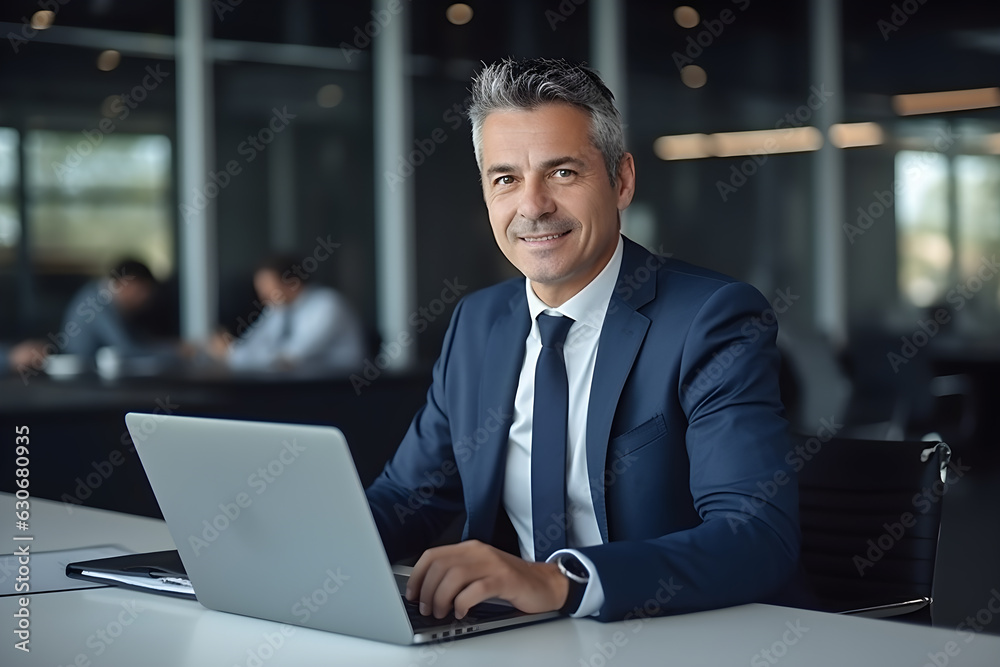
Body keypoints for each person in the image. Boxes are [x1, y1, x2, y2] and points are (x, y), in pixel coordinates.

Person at [364, 57, 799, 623]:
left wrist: (560, 582)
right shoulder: (477, 323)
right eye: (506, 179)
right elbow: (407, 498)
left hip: (679, 637)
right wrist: (300, 542)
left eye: (563, 172)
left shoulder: (711, 319)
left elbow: (756, 535)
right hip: (520, 642)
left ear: (622, 180)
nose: (533, 206)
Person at [210, 254, 366, 374]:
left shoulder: (328, 306)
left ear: (292, 283)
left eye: (268, 287)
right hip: (300, 386)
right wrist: (229, 350)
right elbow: (255, 344)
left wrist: (231, 355)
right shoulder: (279, 308)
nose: (262, 295)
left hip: (339, 389)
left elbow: (289, 359)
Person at [59, 259, 159, 361]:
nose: (145, 298)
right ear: (126, 283)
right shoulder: (96, 302)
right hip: (82, 367)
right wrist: (165, 350)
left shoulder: (104, 296)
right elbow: (125, 349)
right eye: (141, 291)